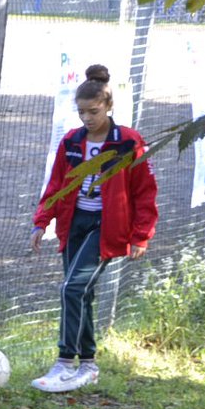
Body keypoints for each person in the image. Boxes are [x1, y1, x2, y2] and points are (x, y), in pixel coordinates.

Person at [29, 65, 158, 392]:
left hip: (107, 227)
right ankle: (88, 364)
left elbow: (145, 190)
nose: (87, 118)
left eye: (94, 111)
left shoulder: (128, 142)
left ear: (109, 106)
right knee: (82, 293)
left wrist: (141, 234)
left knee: (72, 289)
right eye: (82, 112)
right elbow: (56, 183)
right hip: (74, 225)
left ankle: (64, 362)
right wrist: (42, 221)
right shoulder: (72, 141)